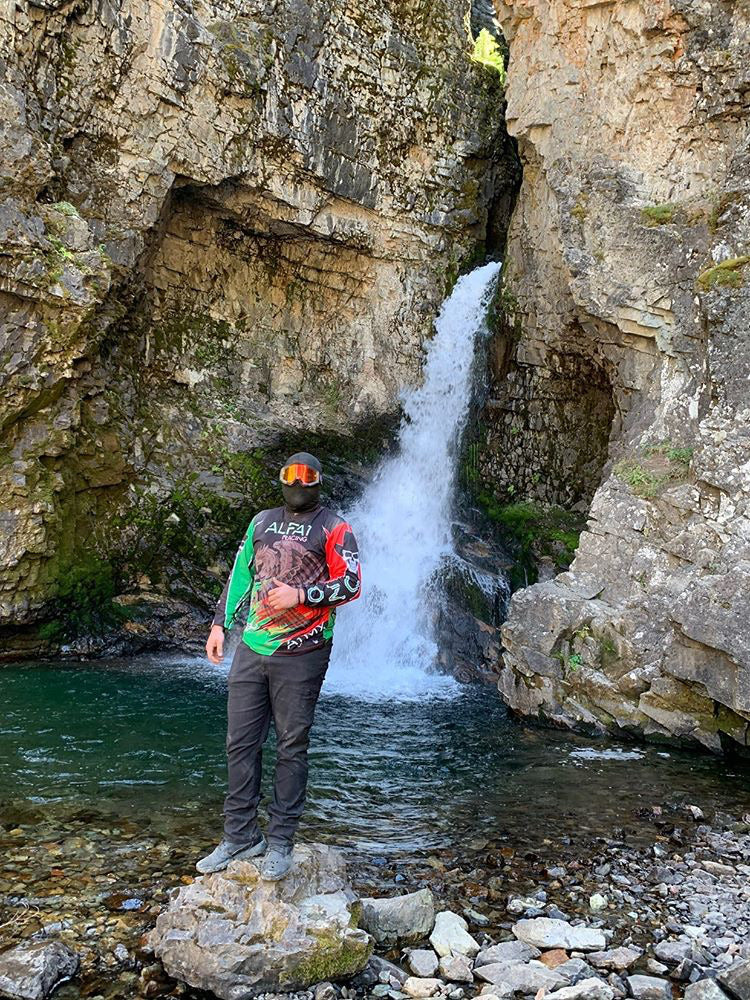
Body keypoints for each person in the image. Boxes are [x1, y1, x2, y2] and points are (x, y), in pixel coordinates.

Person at [197, 451, 362, 880]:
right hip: (251, 648)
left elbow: (352, 583)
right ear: (282, 479)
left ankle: (281, 841)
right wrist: (219, 625)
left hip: (304, 651)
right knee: (240, 742)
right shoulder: (261, 522)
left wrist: (300, 597)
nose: (298, 481)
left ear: (318, 482)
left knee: (291, 745)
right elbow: (240, 576)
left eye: (306, 476)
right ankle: (239, 836)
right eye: (291, 475)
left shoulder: (334, 527)